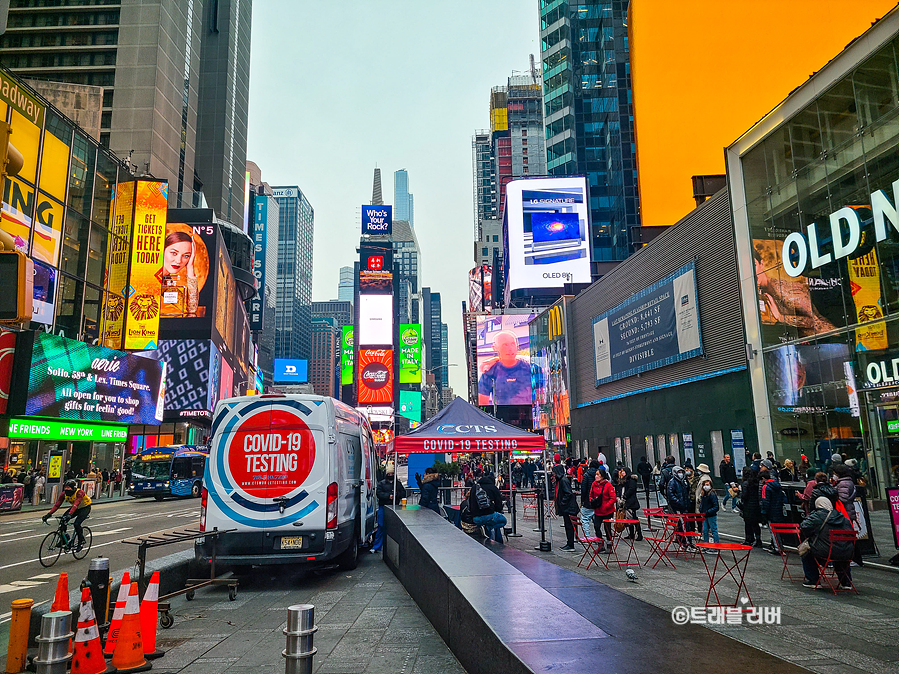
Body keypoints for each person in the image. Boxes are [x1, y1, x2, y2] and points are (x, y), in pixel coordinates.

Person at [800, 496, 855, 590]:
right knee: (840, 556)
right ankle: (846, 582)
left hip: (826, 550)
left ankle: (813, 580)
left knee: (806, 552)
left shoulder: (817, 516)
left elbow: (804, 527)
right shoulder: (841, 516)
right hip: (847, 551)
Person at [477, 331, 531, 405]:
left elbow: (540, 398)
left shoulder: (530, 368)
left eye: (512, 344)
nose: (510, 348)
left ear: (517, 346)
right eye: (505, 345)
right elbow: (482, 403)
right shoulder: (490, 371)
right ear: (495, 348)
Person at [42, 480, 91, 550]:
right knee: (63, 520)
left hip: (85, 508)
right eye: (65, 487)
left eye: (68, 487)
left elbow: (76, 504)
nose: (66, 489)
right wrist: (49, 514)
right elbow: (57, 505)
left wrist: (70, 514)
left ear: (73, 488)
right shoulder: (64, 494)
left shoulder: (79, 493)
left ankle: (81, 540)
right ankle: (65, 537)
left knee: (77, 524)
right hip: (75, 508)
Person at [162, 230, 199, 314]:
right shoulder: (148, 274)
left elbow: (191, 309)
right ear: (163, 250)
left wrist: (190, 266)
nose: (178, 261)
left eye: (186, 256)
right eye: (174, 253)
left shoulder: (167, 282)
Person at [372, 469, 406, 552]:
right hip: (384, 506)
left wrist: (396, 495)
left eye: (392, 473)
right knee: (381, 526)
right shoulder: (381, 484)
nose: (390, 475)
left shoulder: (397, 484)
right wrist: (388, 496)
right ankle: (377, 546)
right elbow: (379, 493)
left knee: (392, 527)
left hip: (394, 506)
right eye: (389, 473)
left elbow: (403, 493)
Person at [468, 474, 507, 543]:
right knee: (502, 520)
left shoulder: (474, 487)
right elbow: (499, 505)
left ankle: (487, 531)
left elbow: (470, 503)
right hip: (488, 516)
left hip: (475, 518)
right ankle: (493, 535)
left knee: (491, 521)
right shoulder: (493, 488)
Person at [759, 460, 786, 553]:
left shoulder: (766, 487)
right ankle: (778, 546)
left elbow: (765, 501)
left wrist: (763, 513)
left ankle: (777, 548)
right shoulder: (776, 484)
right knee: (777, 529)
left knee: (773, 530)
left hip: (771, 510)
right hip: (778, 508)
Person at [588, 468, 616, 551]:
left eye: (598, 474)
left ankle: (609, 545)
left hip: (607, 511)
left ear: (602, 476)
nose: (596, 476)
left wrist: (606, 506)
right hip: (598, 510)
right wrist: (592, 501)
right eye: (596, 474)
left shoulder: (608, 485)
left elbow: (613, 498)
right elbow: (591, 494)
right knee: (597, 527)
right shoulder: (594, 484)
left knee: (607, 529)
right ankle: (600, 544)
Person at [553, 465, 579, 551]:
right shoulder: (561, 480)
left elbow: (568, 493)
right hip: (567, 507)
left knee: (569, 526)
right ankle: (569, 543)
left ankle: (570, 544)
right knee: (568, 526)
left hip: (568, 508)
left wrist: (562, 503)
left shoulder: (563, 481)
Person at [616, 468, 643, 541]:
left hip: (631, 502)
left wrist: (625, 496)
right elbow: (619, 488)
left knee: (633, 517)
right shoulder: (623, 480)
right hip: (625, 502)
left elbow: (631, 489)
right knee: (628, 518)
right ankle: (631, 534)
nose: (622, 473)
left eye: (623, 471)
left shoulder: (631, 480)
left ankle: (639, 534)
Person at [740, 467, 762, 547]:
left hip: (748, 505)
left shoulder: (745, 483)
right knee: (755, 523)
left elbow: (744, 495)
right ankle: (758, 539)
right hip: (756, 505)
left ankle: (749, 539)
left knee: (748, 523)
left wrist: (740, 494)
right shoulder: (756, 482)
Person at [580, 459, 599, 537]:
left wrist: (582, 500)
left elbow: (583, 489)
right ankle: (598, 536)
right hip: (598, 501)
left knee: (585, 519)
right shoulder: (600, 475)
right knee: (597, 521)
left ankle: (587, 536)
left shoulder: (586, 475)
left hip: (588, 501)